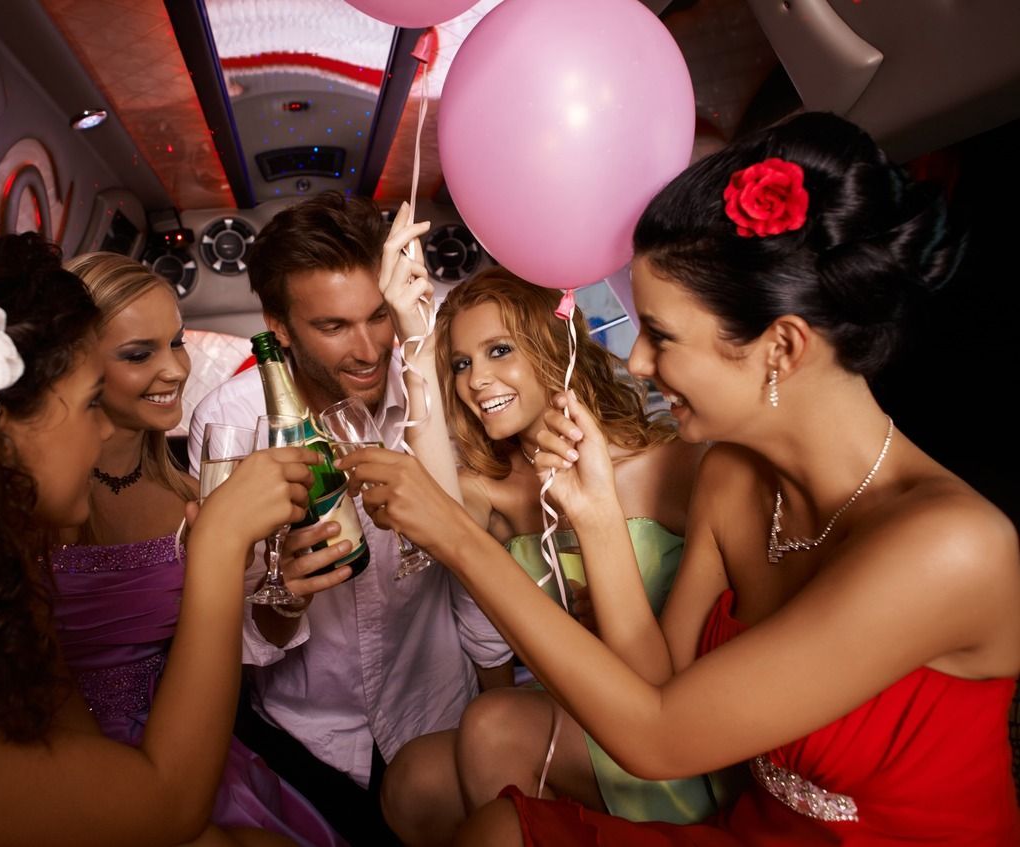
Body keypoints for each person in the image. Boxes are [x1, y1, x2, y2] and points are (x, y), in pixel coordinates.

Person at [338, 112, 1020, 845]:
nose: (635, 362)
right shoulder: (733, 477)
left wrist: (454, 539)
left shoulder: (955, 546)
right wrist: (598, 519)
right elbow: (658, 680)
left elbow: (657, 737)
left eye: (660, 334)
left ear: (780, 347)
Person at [0, 225, 317, 846]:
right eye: (90, 402)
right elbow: (165, 807)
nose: (97, 438)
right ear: (4, 429)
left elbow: (76, 753)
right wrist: (218, 545)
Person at [186, 191, 512, 845]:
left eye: (377, 318)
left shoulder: (430, 389)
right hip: (312, 735)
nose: (368, 350)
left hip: (437, 707)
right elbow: (240, 628)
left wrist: (496, 708)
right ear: (279, 326)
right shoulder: (230, 420)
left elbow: (471, 574)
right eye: (333, 326)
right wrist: (287, 596)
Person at [375, 264, 726, 845]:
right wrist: (414, 333)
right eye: (461, 363)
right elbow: (437, 517)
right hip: (563, 704)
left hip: (659, 712)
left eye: (498, 350)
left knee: (493, 725)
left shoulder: (673, 466)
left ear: (551, 348)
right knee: (413, 780)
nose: (476, 381)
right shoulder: (496, 489)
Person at [55, 251, 346, 846]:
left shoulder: (194, 491)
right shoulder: (40, 504)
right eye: (139, 355)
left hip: (191, 737)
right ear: (75, 365)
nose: (175, 371)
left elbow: (238, 645)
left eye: (178, 343)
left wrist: (283, 596)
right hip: (69, 759)